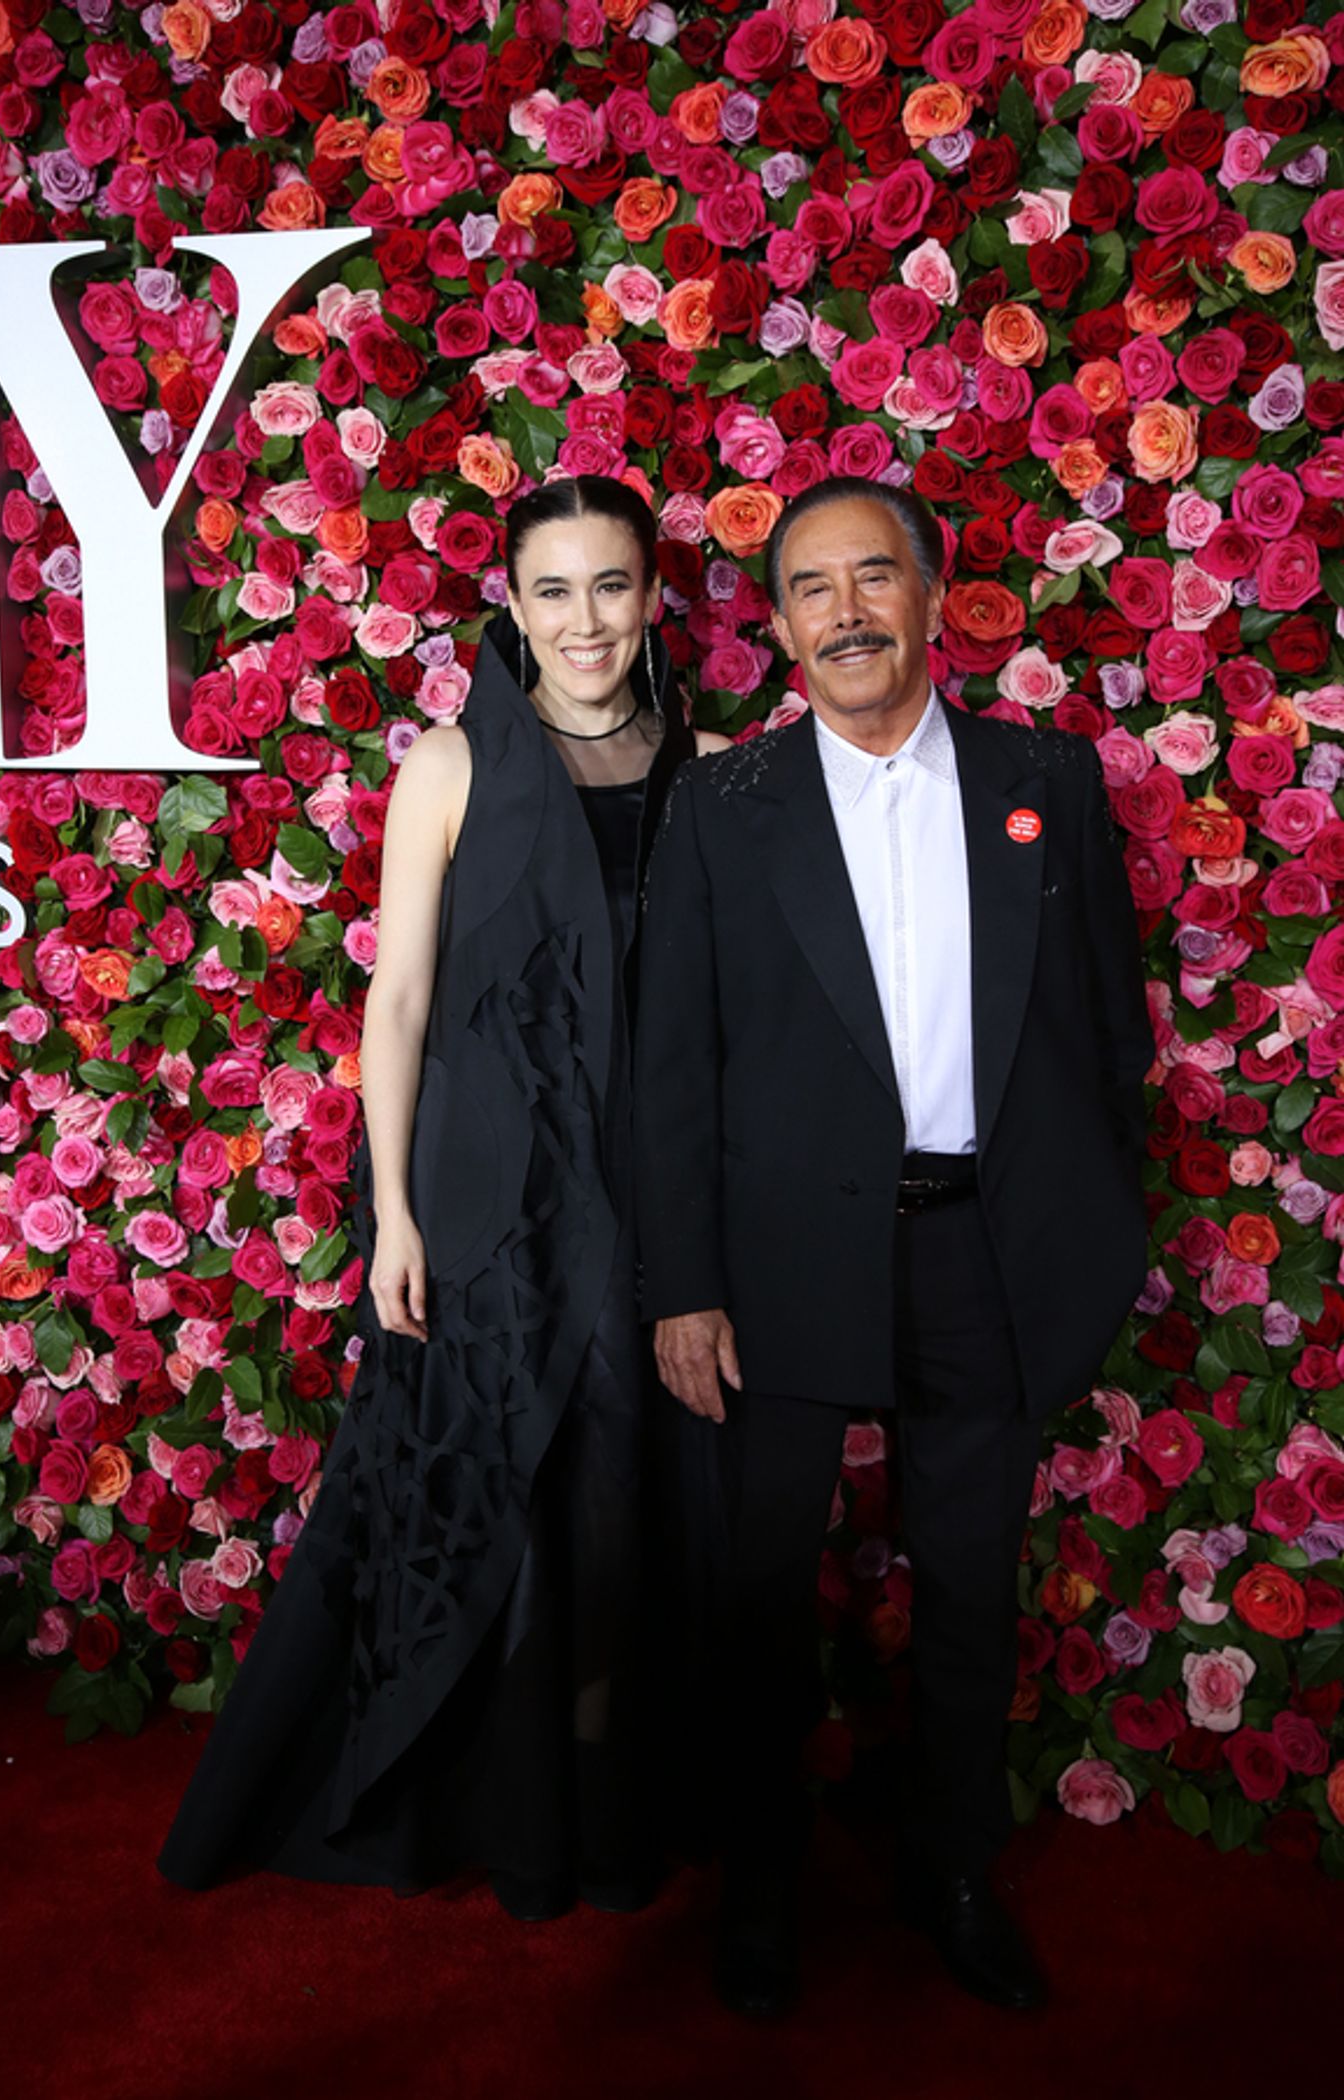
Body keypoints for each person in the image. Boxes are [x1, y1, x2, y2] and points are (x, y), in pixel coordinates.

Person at [158, 474, 726, 1919]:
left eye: (612, 585)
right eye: (553, 590)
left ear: (651, 595)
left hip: (644, 1198)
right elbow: (397, 1000)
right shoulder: (453, 763)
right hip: (486, 1196)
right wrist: (395, 1215)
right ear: (512, 608)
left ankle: (592, 1809)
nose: (585, 619)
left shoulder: (710, 763)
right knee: (501, 1493)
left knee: (617, 1501)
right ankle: (489, 1805)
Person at [633, 476, 1153, 2018]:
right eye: (812, 588)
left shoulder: (1044, 779)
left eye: (876, 579)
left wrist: (1092, 1229)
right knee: (761, 1590)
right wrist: (687, 1286)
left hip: (983, 1257)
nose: (847, 612)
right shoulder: (724, 810)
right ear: (783, 627)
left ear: (934, 601)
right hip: (779, 1261)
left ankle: (954, 1868)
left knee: (975, 1588)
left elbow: (1107, 1029)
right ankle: (765, 1884)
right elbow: (673, 1065)